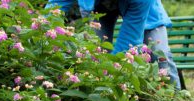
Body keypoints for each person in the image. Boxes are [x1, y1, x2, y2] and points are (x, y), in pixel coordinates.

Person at [46, 0, 181, 89]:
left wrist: (114, 75)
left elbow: (129, 41)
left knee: (161, 55)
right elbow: (57, 3)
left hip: (142, 7)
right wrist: (41, 25)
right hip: (99, 6)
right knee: (94, 53)